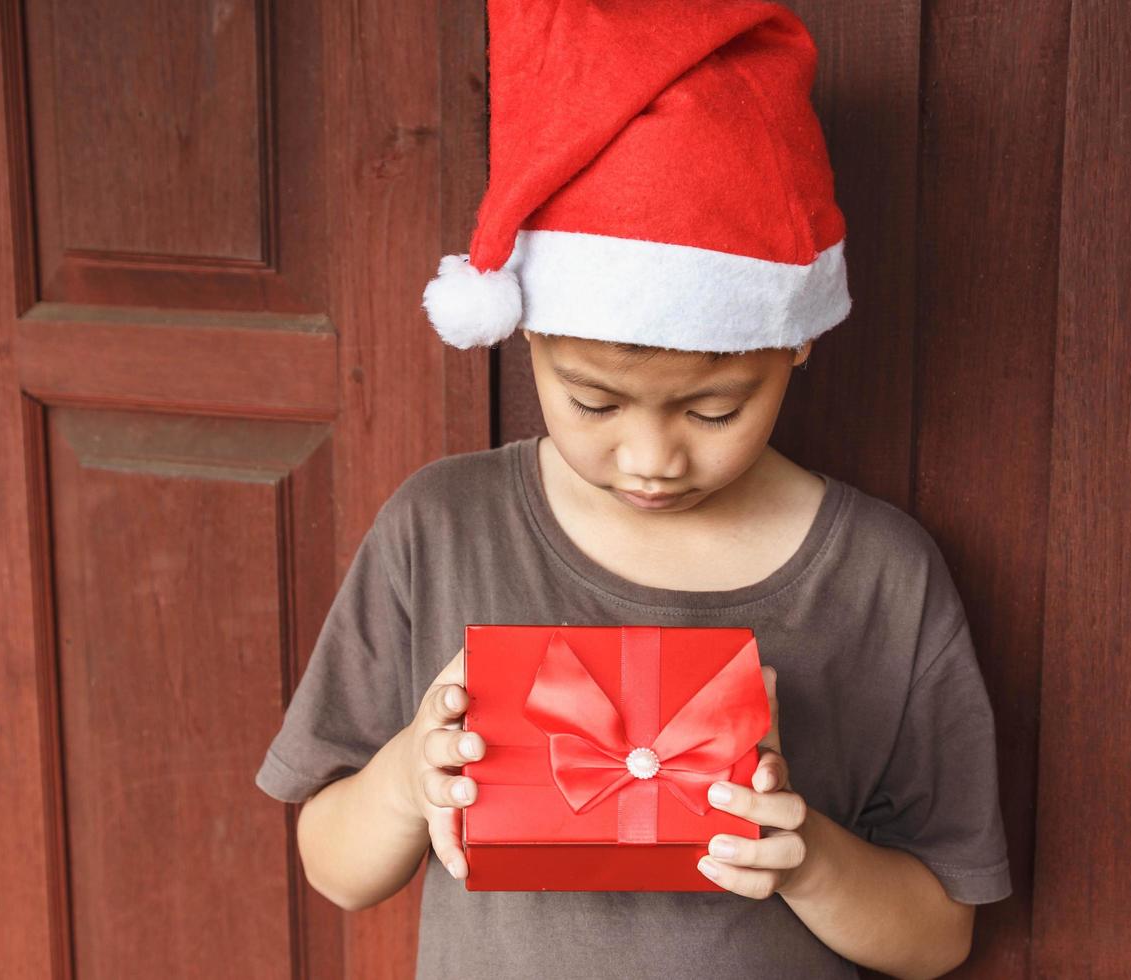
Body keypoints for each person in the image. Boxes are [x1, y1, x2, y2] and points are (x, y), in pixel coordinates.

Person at [254, 2, 1012, 978]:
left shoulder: (881, 575)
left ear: (795, 343)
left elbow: (938, 934)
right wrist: (408, 777)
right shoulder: (439, 528)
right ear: (527, 335)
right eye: (593, 400)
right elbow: (335, 867)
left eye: (710, 410)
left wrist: (806, 858)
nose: (650, 456)